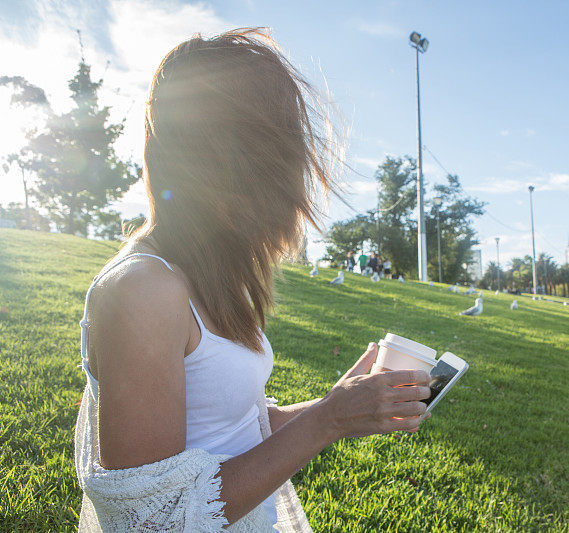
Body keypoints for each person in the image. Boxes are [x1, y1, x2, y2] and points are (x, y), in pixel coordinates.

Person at [74, 29, 431, 532]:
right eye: (276, 154)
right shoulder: (143, 290)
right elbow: (150, 521)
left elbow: (237, 428)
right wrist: (327, 419)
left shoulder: (208, 272)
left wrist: (343, 406)